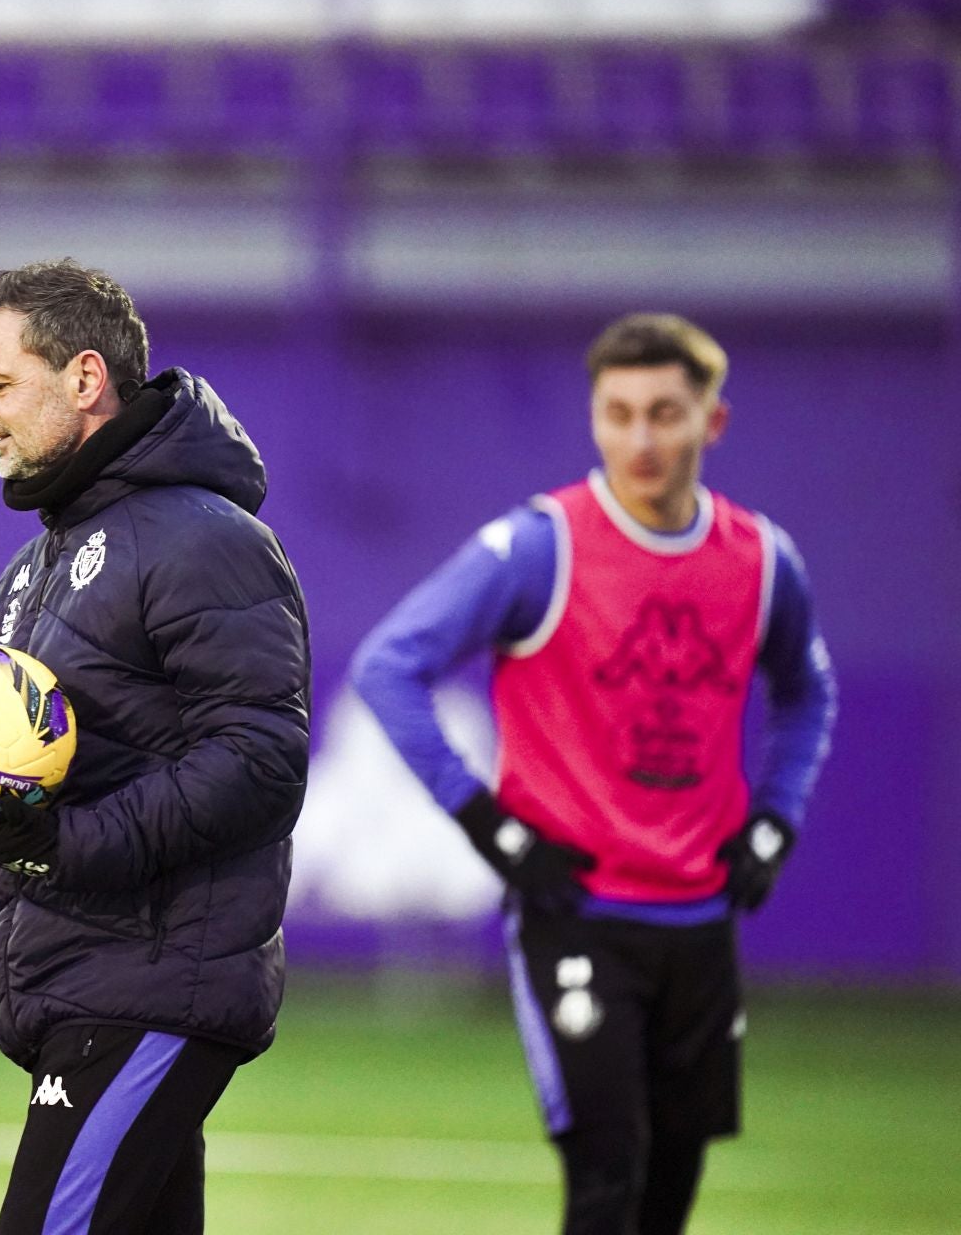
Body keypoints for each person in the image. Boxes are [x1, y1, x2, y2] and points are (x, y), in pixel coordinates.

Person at [0, 259, 312, 1234]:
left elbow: (262, 757)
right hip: (83, 993)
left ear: (85, 379)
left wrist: (70, 842)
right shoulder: (30, 573)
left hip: (152, 992)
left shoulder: (203, 538)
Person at [351, 313, 836, 1235]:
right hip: (576, 912)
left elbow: (807, 694)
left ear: (713, 422)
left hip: (699, 920)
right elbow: (390, 666)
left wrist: (776, 819)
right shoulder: (543, 547)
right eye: (618, 414)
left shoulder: (763, 562)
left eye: (664, 413)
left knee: (669, 1193)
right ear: (594, 419)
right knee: (607, 1176)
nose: (640, 439)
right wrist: (487, 821)